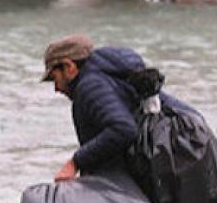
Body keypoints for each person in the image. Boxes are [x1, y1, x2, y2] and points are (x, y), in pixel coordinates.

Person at [41, 34, 197, 182]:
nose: (56, 88)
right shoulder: (110, 75)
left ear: (69, 67)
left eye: (54, 78)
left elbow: (123, 128)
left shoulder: (90, 86)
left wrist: (75, 163)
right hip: (190, 144)